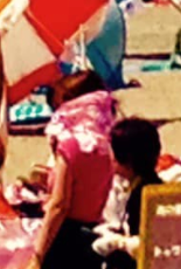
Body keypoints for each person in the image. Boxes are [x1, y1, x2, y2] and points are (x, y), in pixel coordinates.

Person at [31, 72, 117, 269]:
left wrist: (37, 256)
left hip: (67, 236)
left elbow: (59, 206)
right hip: (94, 231)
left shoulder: (73, 146)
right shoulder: (106, 140)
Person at [97, 118, 164, 269]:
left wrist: (118, 242)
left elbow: (143, 244)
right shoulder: (148, 185)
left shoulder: (143, 195)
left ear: (125, 160)